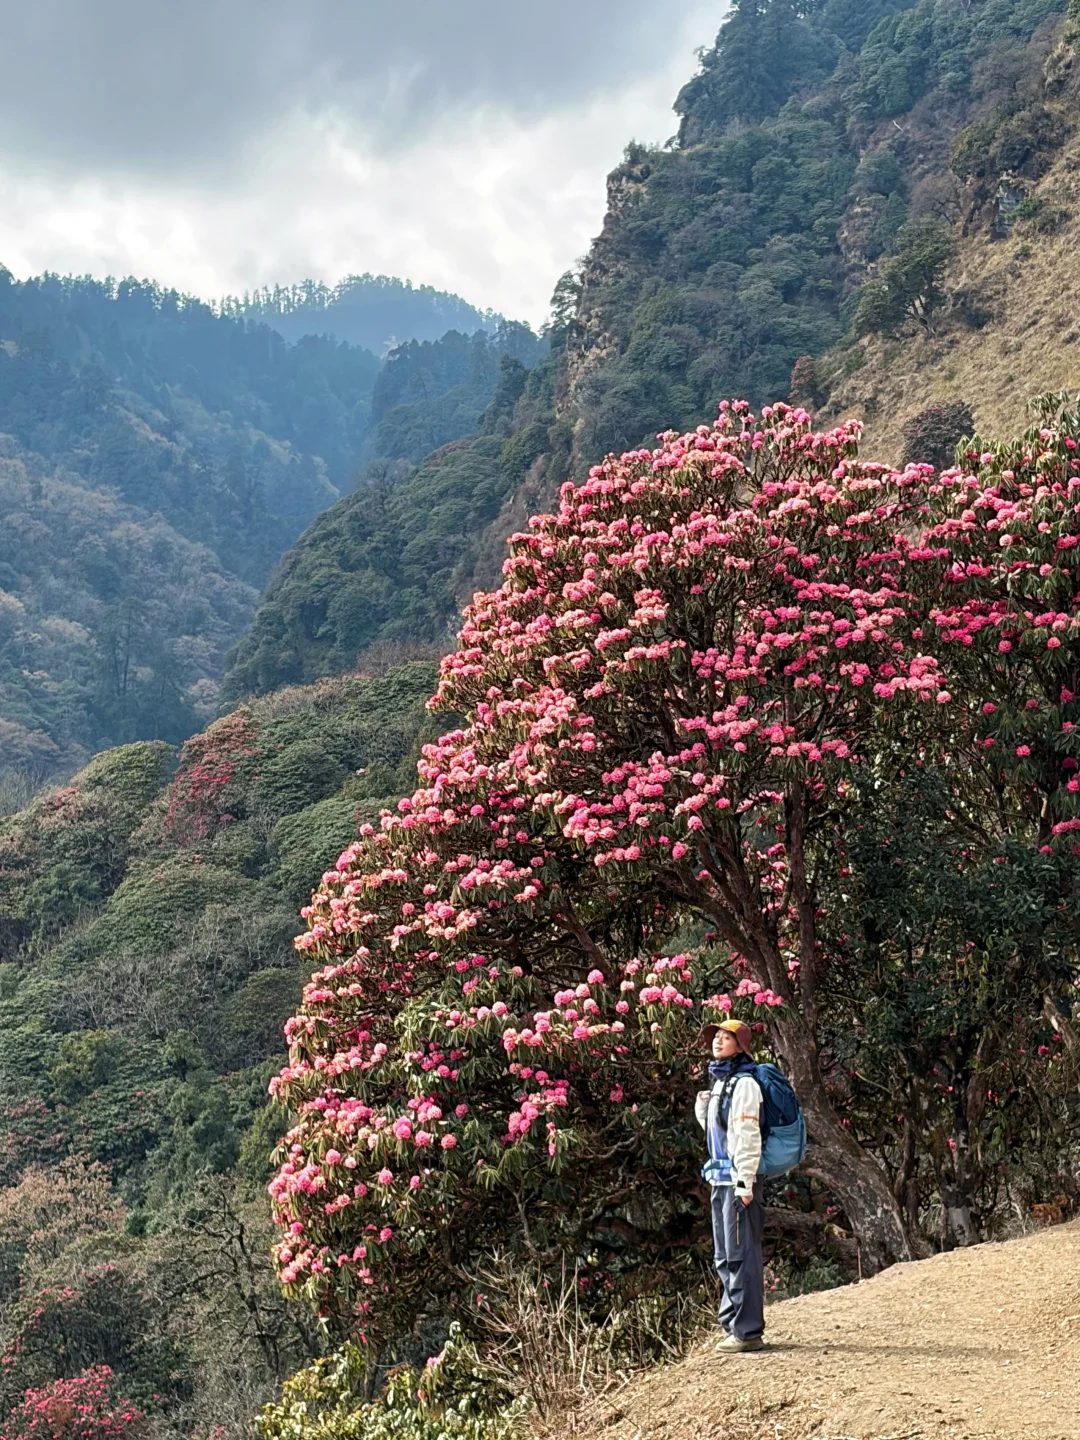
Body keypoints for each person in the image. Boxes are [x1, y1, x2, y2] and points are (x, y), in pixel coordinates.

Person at [695, 1019, 766, 1352]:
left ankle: (747, 1331)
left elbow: (748, 1136)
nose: (718, 1042)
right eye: (716, 1037)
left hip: (738, 1182)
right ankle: (733, 1325)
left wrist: (745, 1182)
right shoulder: (721, 1082)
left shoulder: (745, 1084)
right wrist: (703, 1109)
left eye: (726, 1038)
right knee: (724, 1256)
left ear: (741, 1046)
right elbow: (720, 1134)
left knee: (741, 1254)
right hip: (719, 1180)